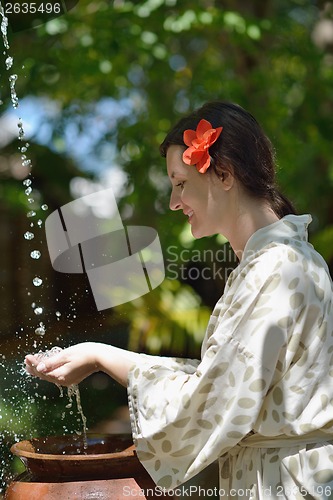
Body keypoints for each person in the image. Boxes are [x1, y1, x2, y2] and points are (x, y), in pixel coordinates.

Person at [25, 101, 333, 499]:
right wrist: (99, 354)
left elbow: (207, 405)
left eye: (181, 182)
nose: (173, 202)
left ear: (224, 174)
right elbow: (219, 379)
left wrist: (103, 357)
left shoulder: (278, 269)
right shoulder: (275, 264)